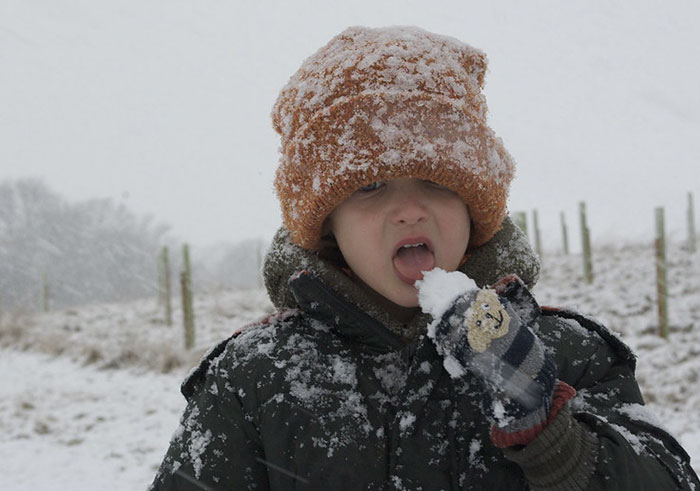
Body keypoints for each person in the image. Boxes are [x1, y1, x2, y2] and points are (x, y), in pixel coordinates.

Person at [150, 26, 699, 490]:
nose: (409, 209)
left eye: (436, 182)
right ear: (327, 228)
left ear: (474, 206)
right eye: (370, 187)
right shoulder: (257, 376)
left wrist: (551, 433)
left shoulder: (566, 355)